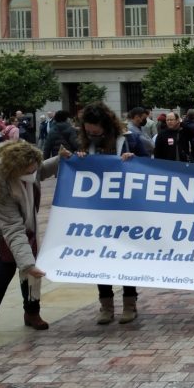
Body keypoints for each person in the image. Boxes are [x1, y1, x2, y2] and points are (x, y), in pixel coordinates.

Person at [0, 140, 66, 344]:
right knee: (5, 271)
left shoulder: (30, 169)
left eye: (34, 166)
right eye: (29, 169)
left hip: (25, 227)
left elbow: (41, 170)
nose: (33, 171)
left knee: (30, 275)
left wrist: (62, 159)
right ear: (15, 169)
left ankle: (31, 313)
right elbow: (11, 227)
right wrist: (27, 264)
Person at [75, 102, 150, 323]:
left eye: (94, 128)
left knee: (126, 256)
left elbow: (147, 164)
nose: (91, 132)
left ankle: (129, 303)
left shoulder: (128, 139)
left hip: (126, 210)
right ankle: (106, 306)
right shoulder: (86, 143)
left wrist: (133, 160)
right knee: (101, 258)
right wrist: (78, 159)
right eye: (87, 129)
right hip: (97, 212)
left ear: (105, 125)